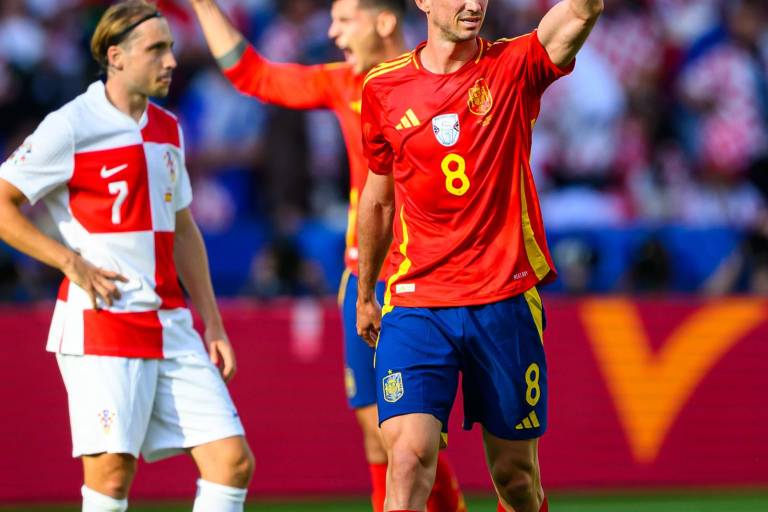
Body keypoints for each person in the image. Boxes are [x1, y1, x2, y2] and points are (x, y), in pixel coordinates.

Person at [186, 1, 466, 511]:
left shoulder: (443, 78)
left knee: (409, 437)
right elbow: (253, 75)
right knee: (375, 432)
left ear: (383, 22)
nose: (333, 33)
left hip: (428, 276)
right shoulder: (345, 82)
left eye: (344, 21)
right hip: (365, 275)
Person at [0, 2, 254, 511]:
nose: (171, 61)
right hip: (103, 321)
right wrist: (68, 262)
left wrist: (213, 321)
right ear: (115, 56)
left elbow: (183, 227)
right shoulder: (70, 125)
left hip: (170, 320)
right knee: (112, 476)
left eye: (171, 48)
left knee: (232, 462)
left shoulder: (169, 127)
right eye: (156, 49)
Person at [356, 1, 604, 511]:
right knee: (408, 460)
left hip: (503, 299)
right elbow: (378, 201)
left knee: (515, 478)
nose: (474, 5)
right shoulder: (382, 87)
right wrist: (365, 293)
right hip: (417, 302)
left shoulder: (514, 67)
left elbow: (584, 11)